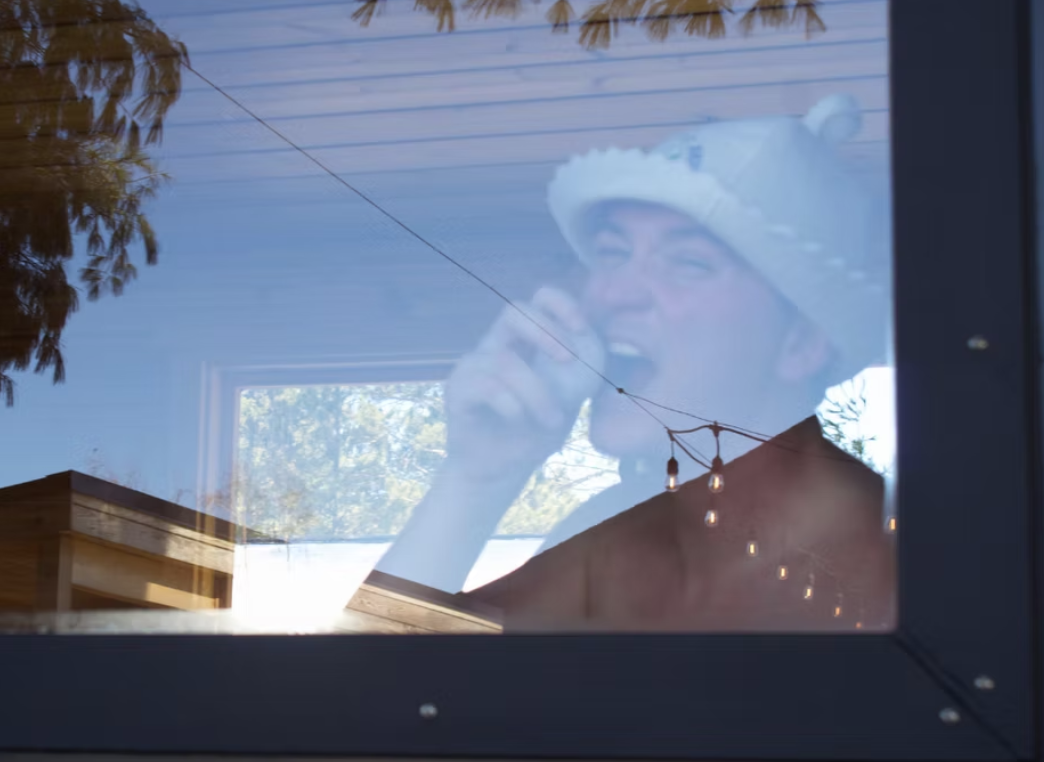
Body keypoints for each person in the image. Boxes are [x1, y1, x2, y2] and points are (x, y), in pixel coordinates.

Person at [369, 94, 896, 631]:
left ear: (801, 343)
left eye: (688, 262)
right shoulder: (613, 535)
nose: (612, 292)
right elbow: (370, 697)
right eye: (613, 254)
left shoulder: (899, 564)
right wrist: (476, 480)